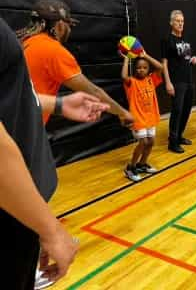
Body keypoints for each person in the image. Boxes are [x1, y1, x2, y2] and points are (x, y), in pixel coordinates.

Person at [0, 17, 109, 289]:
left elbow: (13, 97)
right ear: (58, 25)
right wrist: (51, 230)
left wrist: (58, 104)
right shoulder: (51, 49)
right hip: (10, 213)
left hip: (19, 207)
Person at [17, 0, 134, 126]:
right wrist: (122, 112)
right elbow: (93, 92)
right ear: (60, 25)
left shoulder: (23, 42)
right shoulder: (53, 50)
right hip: (23, 128)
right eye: (69, 25)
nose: (70, 30)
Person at [122, 52, 164, 182]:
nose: (141, 70)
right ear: (135, 69)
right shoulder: (132, 82)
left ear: (148, 69)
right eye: (139, 67)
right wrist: (126, 59)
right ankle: (131, 167)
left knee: (151, 142)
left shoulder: (151, 80)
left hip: (150, 117)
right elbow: (124, 76)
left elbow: (161, 67)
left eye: (144, 67)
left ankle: (142, 164)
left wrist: (145, 56)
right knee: (143, 142)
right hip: (137, 118)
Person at [161, 10, 196, 154]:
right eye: (177, 21)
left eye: (182, 21)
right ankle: (172, 142)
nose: (180, 23)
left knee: (186, 110)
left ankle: (179, 136)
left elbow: (187, 58)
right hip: (176, 82)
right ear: (171, 23)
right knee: (177, 111)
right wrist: (168, 83)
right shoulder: (167, 40)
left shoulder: (185, 40)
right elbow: (164, 63)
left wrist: (193, 59)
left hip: (188, 80)